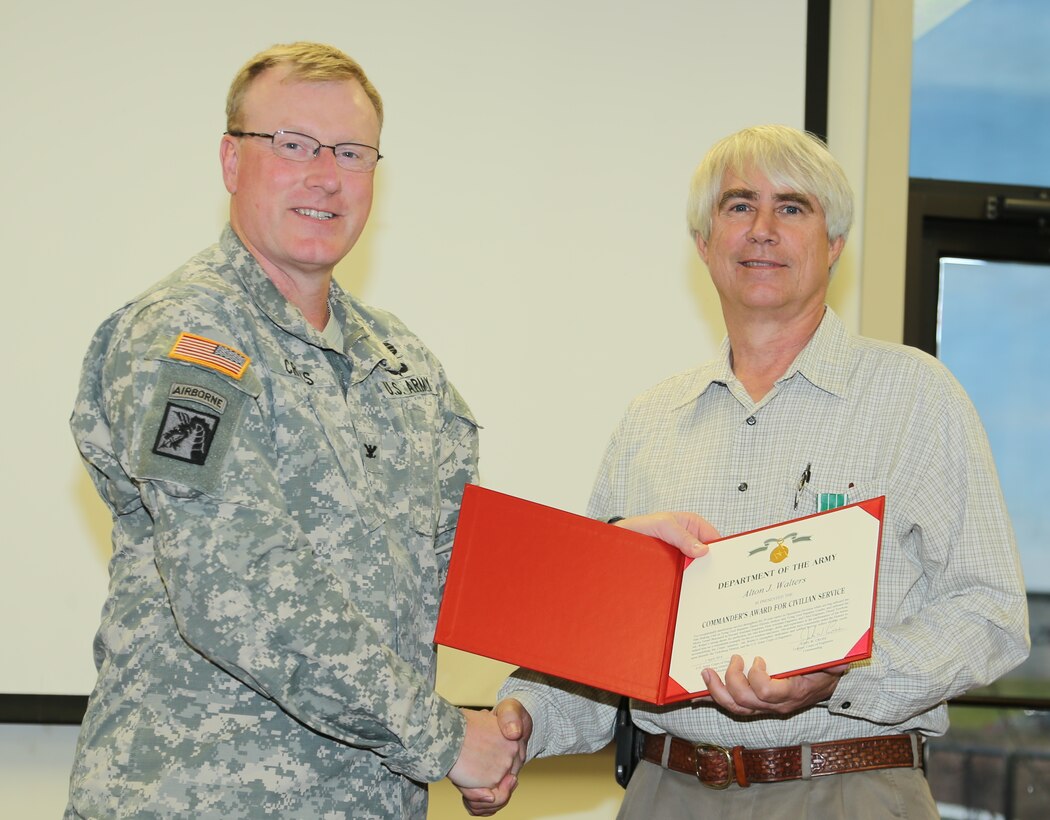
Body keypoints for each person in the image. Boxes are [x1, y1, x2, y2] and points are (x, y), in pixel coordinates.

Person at [460, 125, 1031, 818]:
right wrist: (524, 722)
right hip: (668, 792)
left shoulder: (917, 397)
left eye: (792, 208)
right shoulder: (649, 421)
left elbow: (992, 614)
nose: (762, 229)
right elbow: (602, 640)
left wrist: (840, 678)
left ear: (835, 244)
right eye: (738, 206)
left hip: (853, 791)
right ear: (704, 243)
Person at [65, 41, 529, 819]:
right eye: (292, 145)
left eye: (350, 152)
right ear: (231, 161)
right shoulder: (186, 337)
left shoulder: (402, 362)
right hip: (198, 799)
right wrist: (447, 742)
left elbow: (469, 567)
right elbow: (238, 580)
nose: (324, 175)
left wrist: (629, 564)